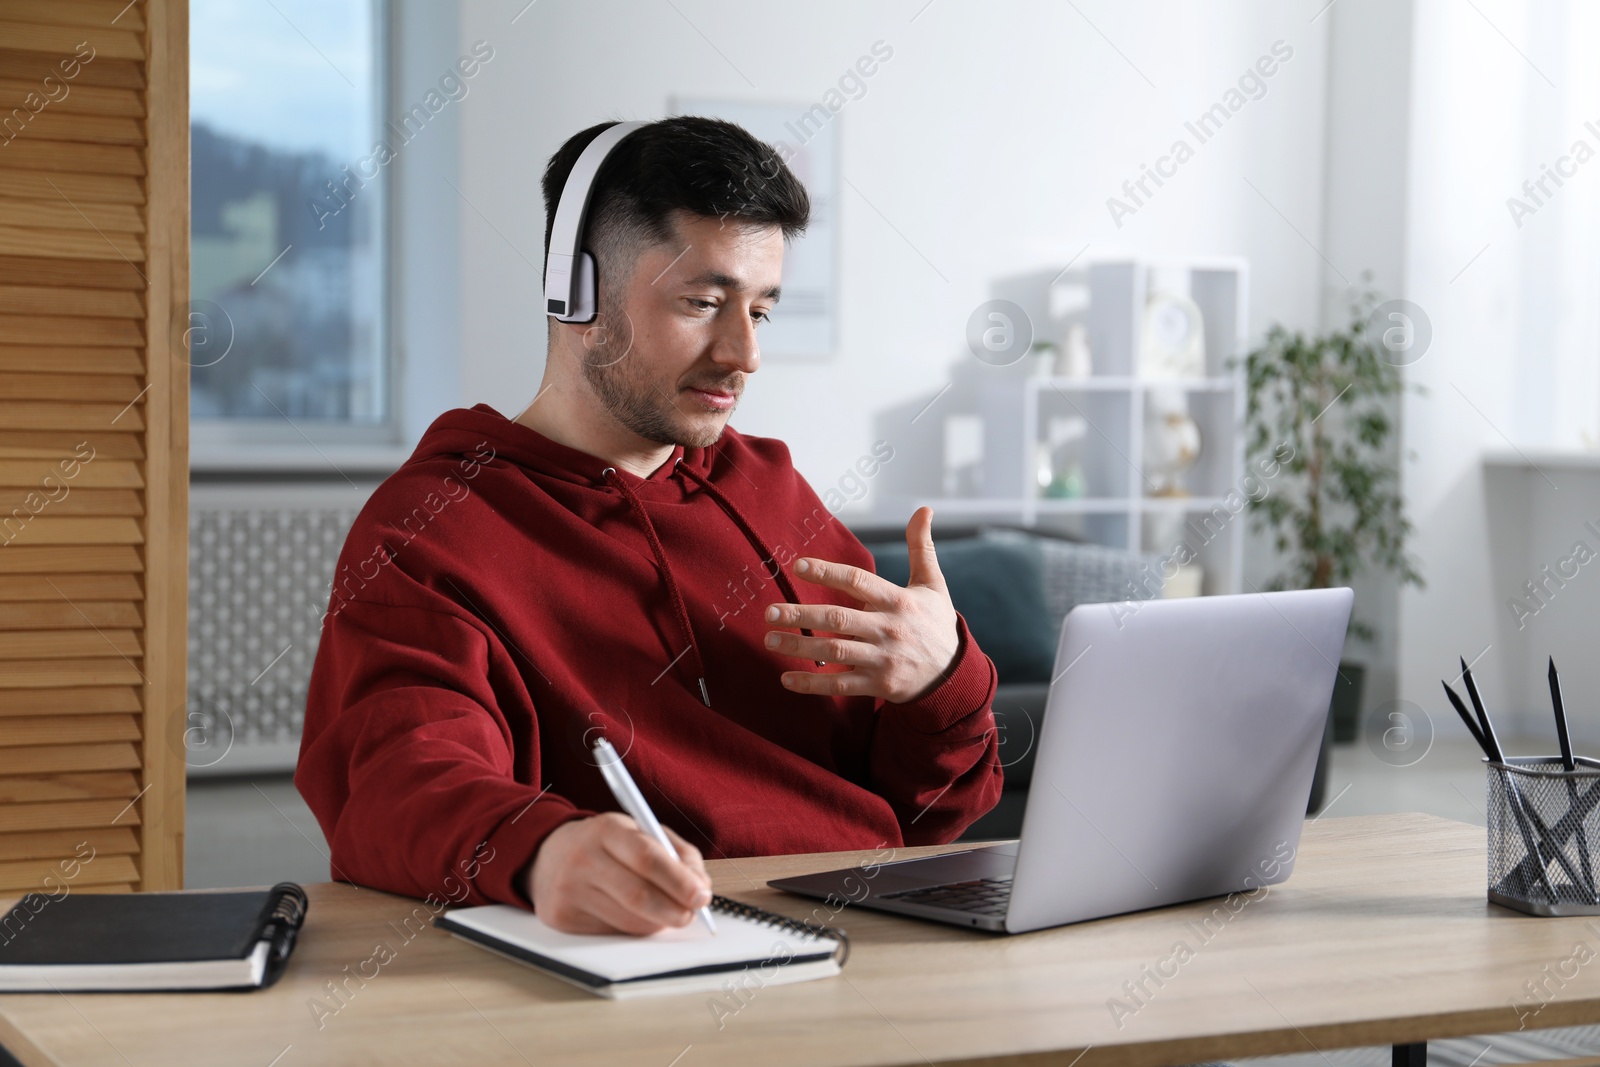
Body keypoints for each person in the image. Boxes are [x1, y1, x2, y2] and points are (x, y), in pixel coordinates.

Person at [295, 116, 1001, 936]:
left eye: (761, 312)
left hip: (870, 934)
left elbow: (935, 810)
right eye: (703, 303)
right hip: (657, 953)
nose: (744, 354)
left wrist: (940, 679)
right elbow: (395, 781)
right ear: (576, 294)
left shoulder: (767, 490)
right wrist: (543, 850)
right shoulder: (433, 528)